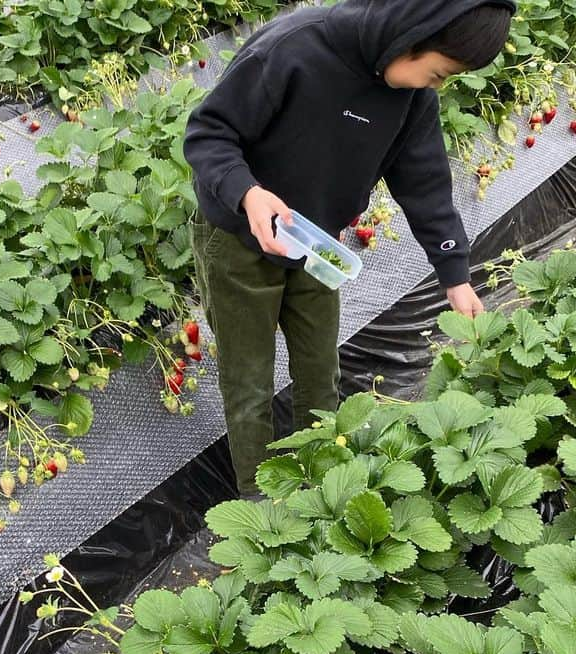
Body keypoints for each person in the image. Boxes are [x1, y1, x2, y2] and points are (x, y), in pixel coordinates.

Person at [183, 0, 515, 499]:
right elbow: (208, 133)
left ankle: (323, 486)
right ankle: (258, 507)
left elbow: (423, 183)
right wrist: (248, 192)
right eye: (440, 73)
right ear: (411, 36)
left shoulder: (411, 95)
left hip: (317, 243)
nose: (436, 85)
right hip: (239, 238)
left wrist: (455, 274)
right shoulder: (291, 49)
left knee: (320, 368)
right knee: (248, 380)